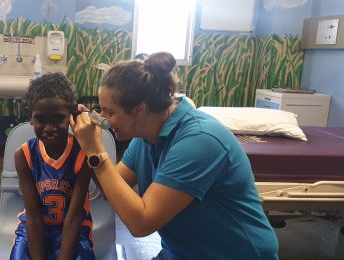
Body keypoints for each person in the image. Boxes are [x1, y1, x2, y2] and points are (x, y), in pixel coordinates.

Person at [70, 52, 279, 259]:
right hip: (180, 253)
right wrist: (83, 145)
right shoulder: (145, 138)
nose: (103, 120)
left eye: (110, 112)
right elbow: (113, 189)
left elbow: (140, 223)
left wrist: (95, 150)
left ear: (139, 110)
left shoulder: (199, 140)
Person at [10, 72, 95, 260]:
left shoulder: (83, 154)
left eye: (58, 119)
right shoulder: (24, 156)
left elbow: (73, 219)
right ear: (29, 116)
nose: (49, 128)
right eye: (41, 119)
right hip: (34, 227)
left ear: (72, 115)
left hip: (74, 228)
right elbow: (32, 218)